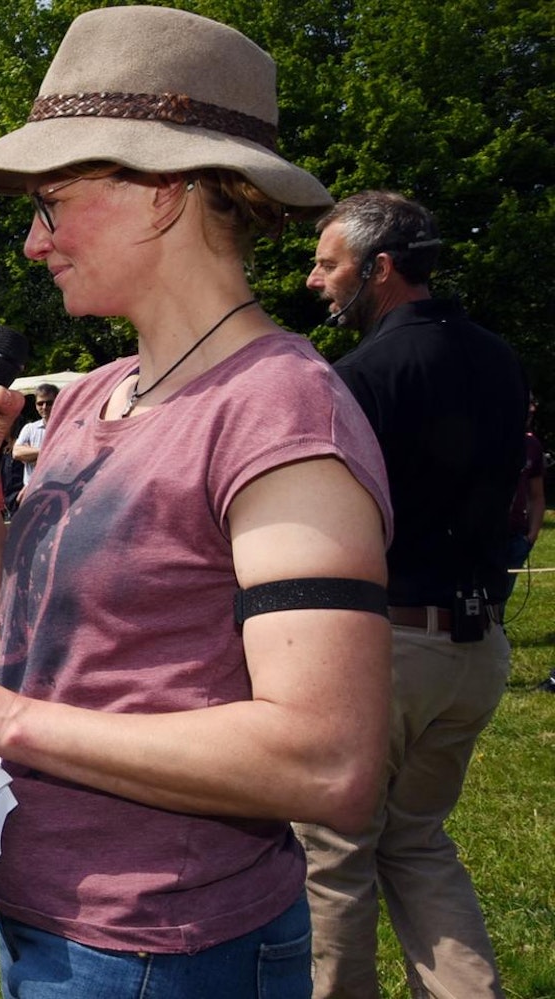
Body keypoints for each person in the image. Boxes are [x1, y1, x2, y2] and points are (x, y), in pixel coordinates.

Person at [0, 8, 393, 996]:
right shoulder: (81, 397)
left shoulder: (278, 412)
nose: (32, 243)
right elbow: (34, 665)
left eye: (50, 202)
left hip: (170, 948)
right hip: (42, 916)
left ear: (159, 193)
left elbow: (326, 760)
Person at [293, 190, 520, 998]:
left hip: (382, 647)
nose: (314, 280)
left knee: (333, 853)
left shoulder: (357, 376)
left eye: (329, 263)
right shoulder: (501, 357)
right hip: (477, 644)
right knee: (418, 841)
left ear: (380, 268)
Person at [506, 395, 543, 617]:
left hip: (516, 538)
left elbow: (537, 495)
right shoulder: (487, 440)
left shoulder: (532, 446)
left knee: (502, 598)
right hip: (485, 537)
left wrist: (531, 536)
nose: (530, 413)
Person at [10, 383, 59, 495]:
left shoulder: (66, 428)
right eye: (40, 403)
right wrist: (49, 452)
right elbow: (16, 453)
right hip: (32, 492)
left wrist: (32, 454)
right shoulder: (30, 428)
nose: (44, 407)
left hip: (58, 490)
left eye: (49, 403)